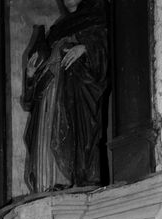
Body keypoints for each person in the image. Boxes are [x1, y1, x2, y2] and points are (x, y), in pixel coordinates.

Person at [21, 0, 109, 193]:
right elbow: (29, 100)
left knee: (70, 132)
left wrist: (85, 48)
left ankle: (71, 179)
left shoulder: (97, 17)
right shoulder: (57, 29)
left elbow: (107, 49)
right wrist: (31, 73)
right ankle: (47, 183)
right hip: (49, 92)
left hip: (75, 93)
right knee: (46, 132)